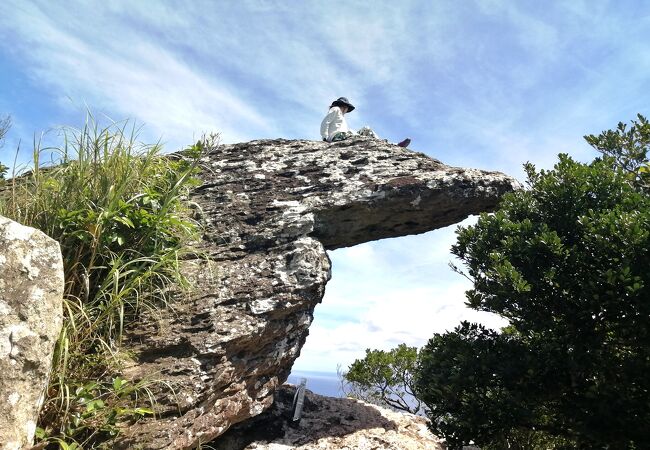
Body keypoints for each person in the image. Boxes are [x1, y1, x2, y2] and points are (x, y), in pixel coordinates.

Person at [320, 97, 411, 147]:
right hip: (337, 136)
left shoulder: (342, 116)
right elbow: (325, 122)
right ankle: (390, 145)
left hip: (343, 135)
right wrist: (325, 138)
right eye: (346, 107)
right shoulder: (335, 109)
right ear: (343, 105)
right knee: (358, 136)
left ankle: (392, 144)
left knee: (366, 129)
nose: (347, 109)